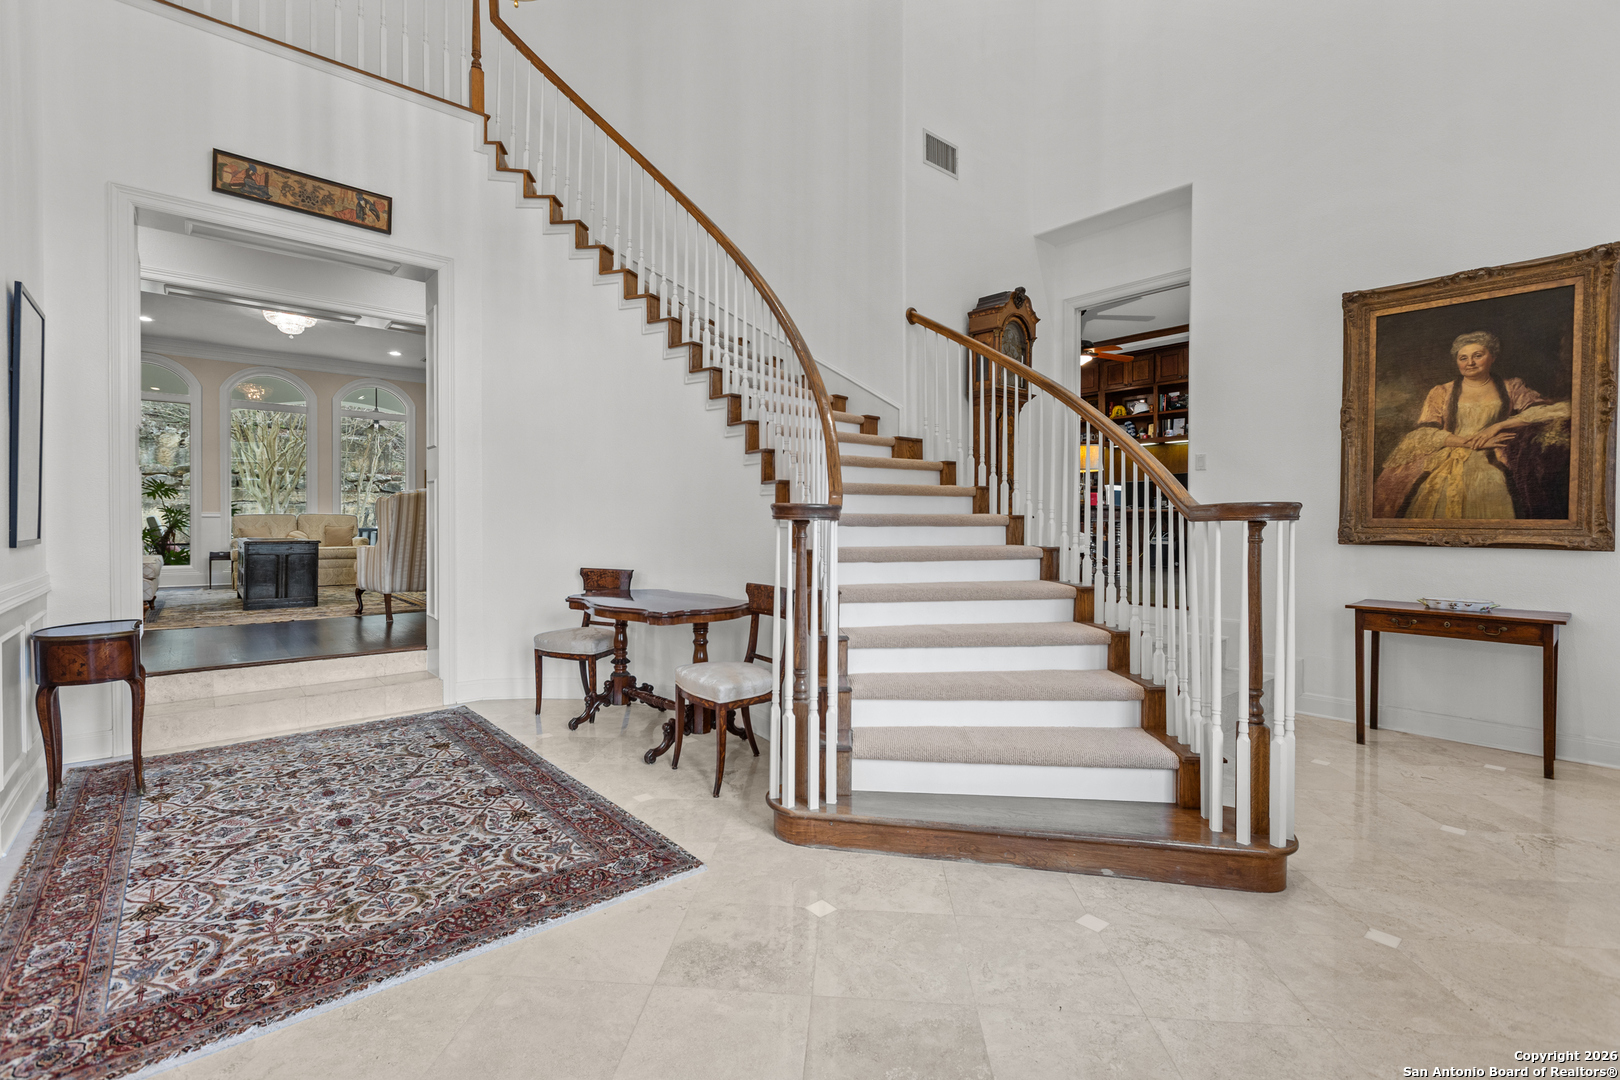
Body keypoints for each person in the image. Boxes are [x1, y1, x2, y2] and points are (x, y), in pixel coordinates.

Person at [1372, 331, 1570, 519]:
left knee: (1491, 482)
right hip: (1451, 449)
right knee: (1435, 486)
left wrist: (1497, 426)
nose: (1470, 363)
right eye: (1463, 358)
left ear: (1492, 357)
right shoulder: (1441, 391)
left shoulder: (1512, 387)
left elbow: (1558, 410)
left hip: (1497, 452)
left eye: (1477, 355)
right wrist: (1465, 442)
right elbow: (1423, 433)